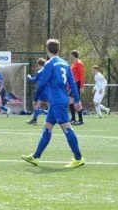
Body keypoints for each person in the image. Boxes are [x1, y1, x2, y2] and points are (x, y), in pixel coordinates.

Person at [22, 39, 85, 168]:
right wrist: (77, 100)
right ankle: (35, 156)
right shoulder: (65, 63)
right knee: (47, 127)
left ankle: (78, 158)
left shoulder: (50, 64)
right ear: (59, 50)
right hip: (60, 100)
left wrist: (35, 98)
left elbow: (43, 82)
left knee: (67, 128)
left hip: (56, 101)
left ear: (47, 50)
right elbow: (72, 83)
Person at [26, 58, 50, 125]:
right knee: (39, 105)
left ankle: (55, 118)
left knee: (49, 105)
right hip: (47, 89)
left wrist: (29, 77)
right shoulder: (47, 70)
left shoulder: (40, 72)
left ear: (39, 64)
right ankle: (34, 119)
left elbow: (34, 80)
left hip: (42, 90)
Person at [69, 50, 85, 125]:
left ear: (73, 55)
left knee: (76, 101)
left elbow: (82, 76)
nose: (70, 56)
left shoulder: (79, 63)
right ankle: (73, 119)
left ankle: (80, 119)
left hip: (77, 84)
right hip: (73, 84)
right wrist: (69, 86)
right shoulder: (73, 63)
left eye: (71, 55)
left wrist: (82, 86)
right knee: (71, 100)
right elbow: (71, 76)